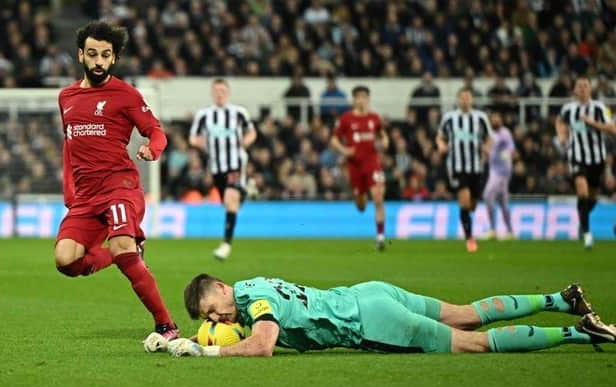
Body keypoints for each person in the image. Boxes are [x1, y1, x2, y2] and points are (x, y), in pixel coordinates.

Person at [54, 22, 179, 340]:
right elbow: (70, 146)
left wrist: (154, 148)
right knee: (65, 260)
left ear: (114, 58)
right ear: (81, 54)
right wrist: (70, 192)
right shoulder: (66, 97)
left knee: (122, 246)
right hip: (85, 196)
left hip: (119, 187)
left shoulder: (125, 94)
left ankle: (166, 325)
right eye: (92, 54)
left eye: (105, 55)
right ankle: (129, 249)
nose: (98, 61)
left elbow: (156, 130)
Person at [143, 274, 616, 357]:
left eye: (214, 311)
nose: (220, 321)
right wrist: (179, 339)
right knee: (466, 314)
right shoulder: (252, 288)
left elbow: (262, 345)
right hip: (369, 291)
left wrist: (205, 354)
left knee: (473, 342)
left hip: (372, 323)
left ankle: (579, 333)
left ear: (223, 291)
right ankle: (560, 297)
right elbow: (233, 331)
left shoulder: (252, 304)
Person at [189, 78, 257, 260]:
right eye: (217, 90)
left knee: (230, 199)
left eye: (223, 91)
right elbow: (193, 138)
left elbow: (251, 132)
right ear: (212, 93)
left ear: (228, 93)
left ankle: (226, 244)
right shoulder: (204, 115)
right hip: (216, 167)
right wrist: (204, 145)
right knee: (228, 203)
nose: (220, 94)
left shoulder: (239, 112)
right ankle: (246, 188)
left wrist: (245, 142)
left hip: (235, 163)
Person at [555, 76, 616, 249]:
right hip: (576, 156)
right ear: (575, 90)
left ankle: (583, 221)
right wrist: (561, 135)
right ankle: (588, 234)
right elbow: (559, 120)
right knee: (582, 190)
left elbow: (612, 128)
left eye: (585, 86)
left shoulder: (599, 108)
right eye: (579, 86)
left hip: (597, 159)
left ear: (590, 89)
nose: (582, 89)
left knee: (592, 197)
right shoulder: (568, 109)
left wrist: (593, 123)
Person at [330, 86, 389, 250]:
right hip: (355, 165)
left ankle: (380, 237)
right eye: (358, 97)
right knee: (361, 205)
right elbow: (334, 139)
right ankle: (362, 195)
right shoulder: (346, 119)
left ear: (368, 99)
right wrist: (344, 150)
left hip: (372, 162)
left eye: (364, 97)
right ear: (354, 99)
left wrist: (384, 141)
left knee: (378, 198)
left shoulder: (374, 118)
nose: (361, 100)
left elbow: (383, 135)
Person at [436, 87, 493, 252]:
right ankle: (470, 239)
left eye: (468, 97)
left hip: (477, 166)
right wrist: (441, 146)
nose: (465, 100)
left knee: (473, 204)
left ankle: (468, 225)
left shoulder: (480, 118)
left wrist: (487, 148)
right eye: (462, 97)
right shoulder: (449, 118)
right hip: (457, 166)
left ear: (472, 100)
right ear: (457, 99)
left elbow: (489, 138)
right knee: (465, 200)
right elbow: (440, 136)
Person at [483, 111, 515, 239]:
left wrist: (507, 154)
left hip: (502, 171)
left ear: (501, 120)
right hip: (493, 170)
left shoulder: (504, 133)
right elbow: (488, 151)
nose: (495, 120)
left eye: (497, 118)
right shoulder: (490, 134)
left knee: (487, 195)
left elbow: (511, 148)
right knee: (503, 202)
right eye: (493, 118)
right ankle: (510, 231)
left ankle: (492, 229)